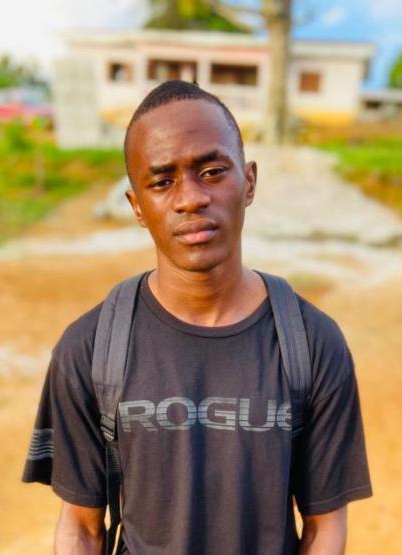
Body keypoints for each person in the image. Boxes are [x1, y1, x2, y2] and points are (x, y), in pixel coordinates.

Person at [22, 80, 372, 555]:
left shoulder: (311, 343)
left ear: (249, 182)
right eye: (162, 182)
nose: (190, 198)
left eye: (211, 172)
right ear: (137, 207)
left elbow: (324, 528)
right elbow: (81, 529)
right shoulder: (89, 348)